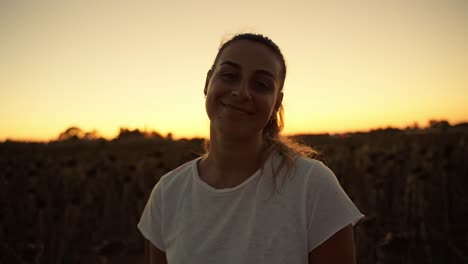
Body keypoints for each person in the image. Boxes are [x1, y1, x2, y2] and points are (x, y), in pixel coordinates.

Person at [138, 33, 364, 264]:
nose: (242, 92)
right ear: (207, 82)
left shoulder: (312, 185)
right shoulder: (168, 193)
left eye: (261, 84)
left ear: (276, 103)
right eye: (229, 75)